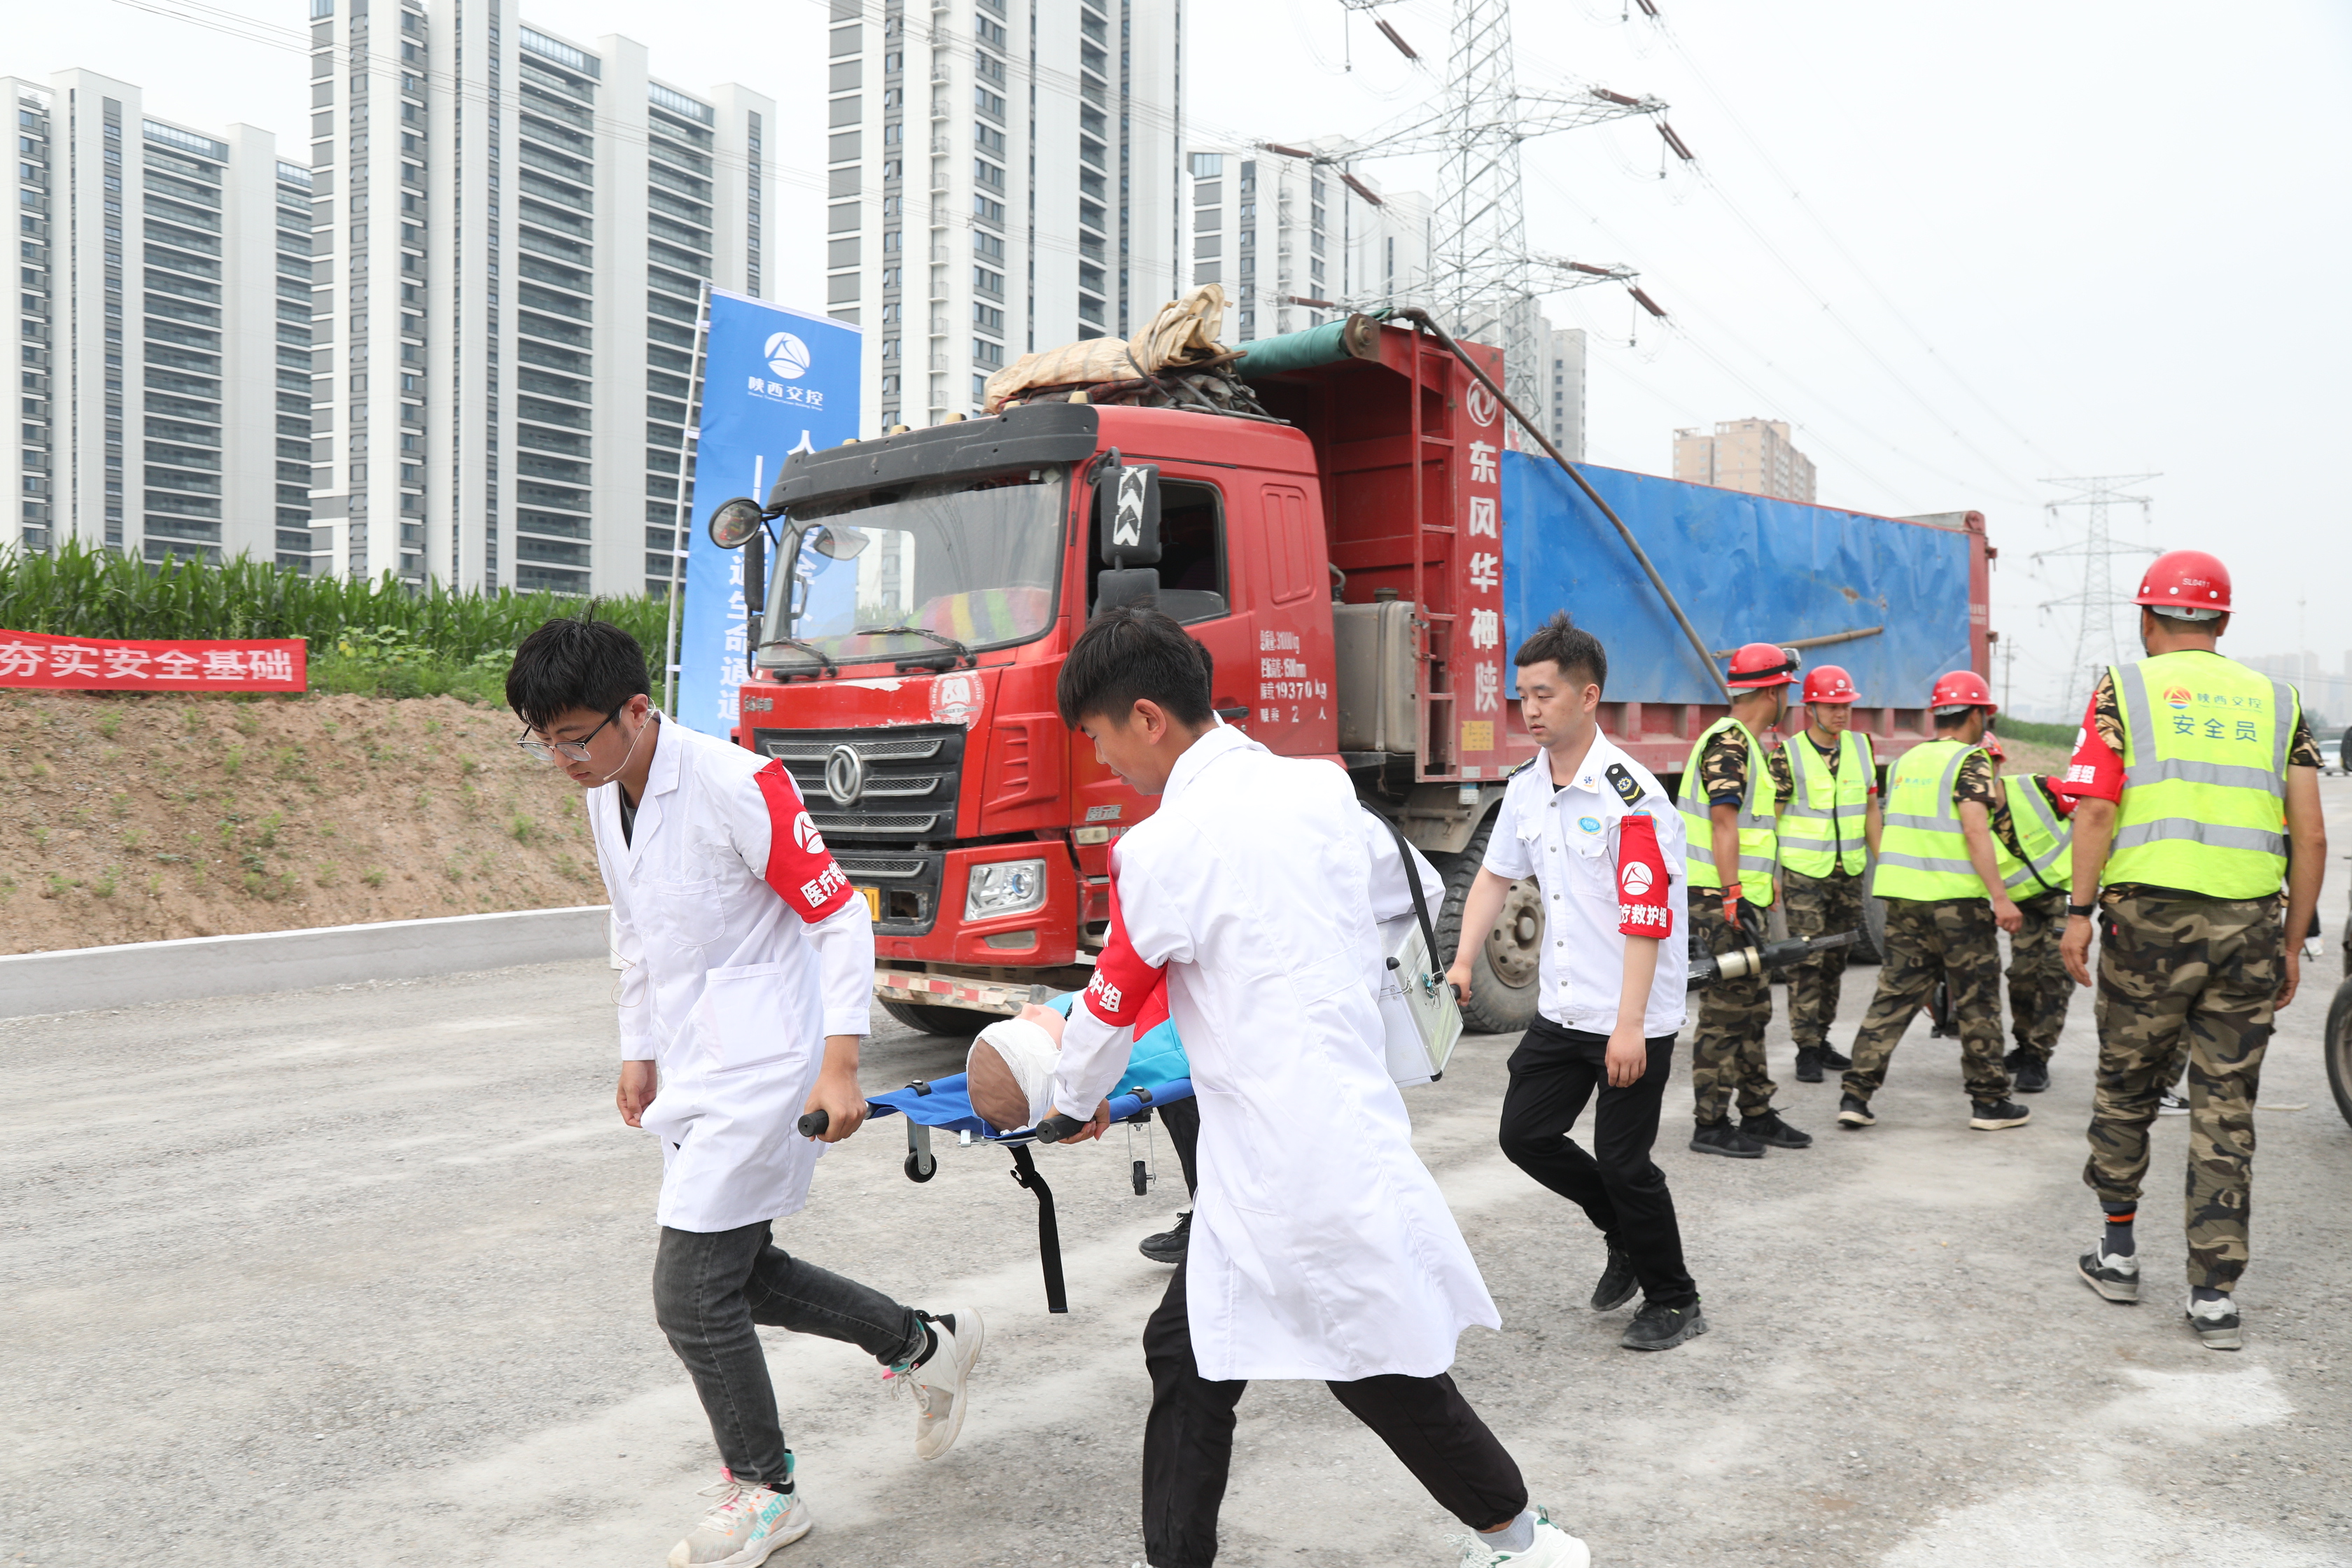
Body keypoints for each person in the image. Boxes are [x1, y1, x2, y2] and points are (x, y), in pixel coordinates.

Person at [1042, 606, 1586, 1568]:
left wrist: (1072, 1101)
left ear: (1146, 718)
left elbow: (1114, 998)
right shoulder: (1318, 791)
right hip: (1323, 1125)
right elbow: (1406, 893)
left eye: (1098, 739)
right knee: (1191, 1352)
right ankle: (1513, 1536)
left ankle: (1524, 1540)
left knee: (1370, 1363)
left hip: (1285, 1159)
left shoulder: (1162, 848)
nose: (1105, 763)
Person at [505, 615, 984, 1568]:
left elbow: (839, 915)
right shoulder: (608, 790)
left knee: (688, 1296)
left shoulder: (736, 782)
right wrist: (637, 1050)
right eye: (543, 739)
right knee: (742, 1274)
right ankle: (927, 1346)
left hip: (772, 1065)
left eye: (573, 734)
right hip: (697, 1064)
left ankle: (765, 1491)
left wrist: (841, 1063)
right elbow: (634, 927)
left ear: (637, 710)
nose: (560, 756)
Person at [2054, 550, 2325, 1352]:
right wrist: (2292, 938)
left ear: (2147, 618)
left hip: (2146, 925)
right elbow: (2309, 831)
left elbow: (2095, 811)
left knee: (2127, 1082)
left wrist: (2076, 912)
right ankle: (2214, 1295)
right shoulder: (2279, 701)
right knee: (2224, 1104)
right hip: (2248, 925)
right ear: (2224, 623)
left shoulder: (2125, 687)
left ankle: (2118, 1250)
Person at [1448, 612, 1702, 1352]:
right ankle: (1621, 1231)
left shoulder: (1633, 797)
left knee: (1626, 1161)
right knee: (1523, 1133)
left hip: (1631, 1015)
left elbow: (1646, 916)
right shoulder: (1527, 787)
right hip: (1564, 1010)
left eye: (1545, 694)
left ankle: (1675, 1297)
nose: (1529, 708)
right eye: (1522, 694)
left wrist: (1629, 1025)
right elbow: (1495, 876)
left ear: (1588, 696)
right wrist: (1465, 958)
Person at [1833, 671, 2034, 1133]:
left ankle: (1856, 1095)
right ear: (1979, 714)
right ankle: (1989, 1103)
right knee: (1977, 999)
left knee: (1894, 996)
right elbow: (1974, 828)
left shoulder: (1907, 762)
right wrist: (2000, 898)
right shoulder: (1972, 760)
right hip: (1957, 903)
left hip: (1904, 900)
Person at [1672, 643, 1814, 1158]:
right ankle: (1710, 1123)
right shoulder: (1730, 742)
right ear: (1773, 691)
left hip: (1738, 895)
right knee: (1726, 1010)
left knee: (1753, 1008)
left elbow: (1751, 828)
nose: (1788, 703)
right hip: (1719, 897)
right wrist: (1734, 894)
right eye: (1786, 694)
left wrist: (1761, 884)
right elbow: (1723, 821)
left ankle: (1755, 1112)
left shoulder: (1748, 744)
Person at [1775, 664, 1883, 1084]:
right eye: (1832, 706)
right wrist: (1771, 872)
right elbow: (1773, 818)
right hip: (1805, 874)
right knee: (1807, 960)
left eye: (1846, 705)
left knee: (1836, 958)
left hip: (1849, 872)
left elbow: (1871, 810)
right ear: (1811, 708)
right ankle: (1805, 1049)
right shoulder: (1788, 754)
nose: (1841, 713)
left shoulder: (1861, 747)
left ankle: (1822, 1038)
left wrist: (1885, 863)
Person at [1981, 734, 2078, 1093]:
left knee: (2055, 972)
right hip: (2022, 906)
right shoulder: (1970, 813)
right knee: (2021, 975)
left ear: (1999, 763)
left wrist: (2098, 878)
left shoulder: (2041, 788)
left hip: (2066, 896)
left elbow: (2095, 823)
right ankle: (2023, 1046)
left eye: (1987, 763)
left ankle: (2038, 1058)